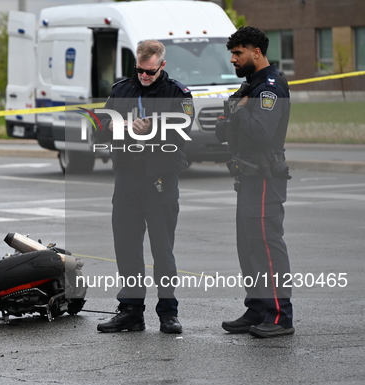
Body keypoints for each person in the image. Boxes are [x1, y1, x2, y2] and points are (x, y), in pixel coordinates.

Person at [94, 40, 194, 334]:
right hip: (127, 177)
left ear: (162, 65)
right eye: (139, 70)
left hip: (160, 178)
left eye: (150, 72)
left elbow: (184, 129)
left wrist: (152, 127)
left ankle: (168, 313)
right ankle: (131, 311)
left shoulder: (177, 93)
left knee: (162, 251)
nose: (144, 76)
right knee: (126, 248)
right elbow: (100, 123)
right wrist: (109, 125)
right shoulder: (122, 89)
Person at [216, 26, 294, 338]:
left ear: (256, 53)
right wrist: (233, 116)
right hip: (246, 176)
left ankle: (280, 316)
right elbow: (225, 128)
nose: (233, 60)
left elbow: (261, 131)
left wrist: (239, 113)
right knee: (248, 248)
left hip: (264, 178)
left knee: (266, 247)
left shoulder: (269, 87)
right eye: (232, 54)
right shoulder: (251, 85)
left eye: (238, 53)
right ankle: (258, 309)